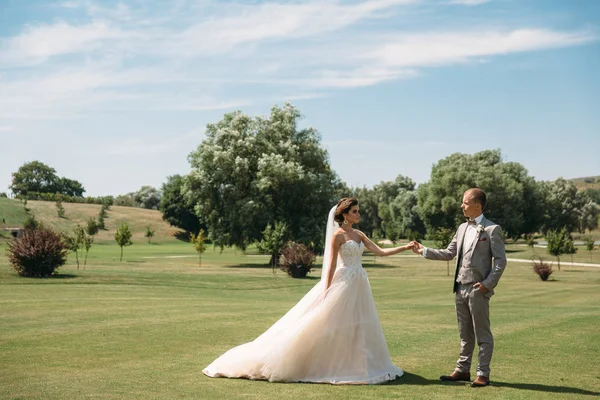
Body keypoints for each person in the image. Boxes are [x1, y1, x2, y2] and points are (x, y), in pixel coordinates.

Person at [203, 198, 414, 384]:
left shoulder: (359, 234)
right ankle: (326, 364)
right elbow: (330, 265)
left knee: (359, 325)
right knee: (327, 324)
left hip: (359, 283)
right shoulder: (338, 236)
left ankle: (358, 365)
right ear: (344, 215)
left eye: (358, 211)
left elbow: (381, 251)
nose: (359, 214)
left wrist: (406, 248)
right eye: (355, 211)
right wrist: (326, 289)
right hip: (343, 284)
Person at [411, 188, 506, 387]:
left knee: (482, 334)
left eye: (465, 202)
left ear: (477, 206)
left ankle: (483, 374)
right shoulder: (462, 228)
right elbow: (448, 253)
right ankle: (463, 370)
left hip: (478, 289)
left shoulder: (491, 229)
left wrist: (487, 285)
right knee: (465, 333)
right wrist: (423, 251)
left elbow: (500, 261)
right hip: (459, 287)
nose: (461, 206)